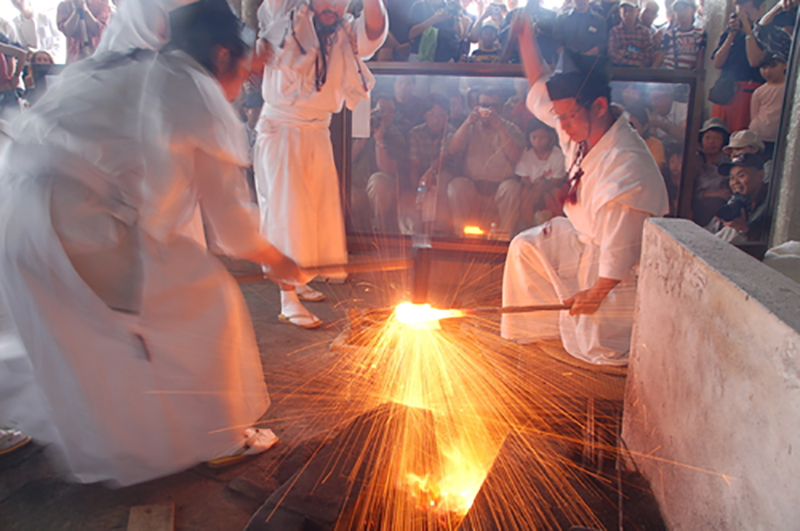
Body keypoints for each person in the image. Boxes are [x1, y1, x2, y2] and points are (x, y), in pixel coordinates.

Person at [0, 0, 307, 486]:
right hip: (73, 220)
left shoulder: (129, 63)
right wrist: (278, 259)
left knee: (53, 324)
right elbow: (229, 225)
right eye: (244, 72)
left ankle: (18, 422)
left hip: (12, 209)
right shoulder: (194, 89)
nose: (242, 86)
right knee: (209, 301)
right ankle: (222, 436)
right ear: (222, 55)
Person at [503, 24, 669, 364]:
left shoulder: (626, 167)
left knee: (597, 342)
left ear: (600, 105)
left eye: (569, 116)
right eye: (560, 116)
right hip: (584, 237)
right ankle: (537, 339)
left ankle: (600, 359)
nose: (561, 125)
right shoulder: (581, 127)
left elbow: (618, 256)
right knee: (526, 248)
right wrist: (525, 38)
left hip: (620, 270)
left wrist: (593, 296)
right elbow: (540, 86)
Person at [254, 0, 388, 329]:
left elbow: (374, 28)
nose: (333, 5)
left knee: (314, 212)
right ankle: (287, 299)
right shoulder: (282, 16)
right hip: (282, 130)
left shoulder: (344, 29)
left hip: (316, 130)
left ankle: (299, 280)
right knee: (288, 215)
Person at [446, 88, 525, 238]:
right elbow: (452, 149)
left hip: (500, 187)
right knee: (456, 186)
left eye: (492, 105)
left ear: (500, 107)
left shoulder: (509, 128)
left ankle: (504, 238)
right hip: (473, 186)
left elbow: (517, 157)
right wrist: (467, 122)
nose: (487, 109)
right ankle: (461, 237)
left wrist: (500, 127)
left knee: (512, 188)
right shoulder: (470, 126)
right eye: (483, 104)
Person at [350, 94, 407, 232]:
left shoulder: (396, 135)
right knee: (347, 194)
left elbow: (388, 168)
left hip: (383, 187)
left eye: (390, 111)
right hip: (358, 187)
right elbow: (348, 159)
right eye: (381, 110)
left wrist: (379, 141)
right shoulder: (359, 129)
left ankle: (379, 233)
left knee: (378, 182)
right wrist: (366, 133)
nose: (385, 114)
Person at [709, 0, 766, 132]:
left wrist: (748, 32)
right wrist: (731, 35)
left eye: (746, 13)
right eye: (739, 14)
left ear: (761, 9)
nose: (742, 18)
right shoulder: (730, 32)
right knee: (717, 133)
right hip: (724, 90)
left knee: (739, 135)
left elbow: (755, 61)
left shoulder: (764, 32)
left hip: (748, 91)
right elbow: (717, 63)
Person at [515, 118, 566, 229]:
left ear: (550, 136)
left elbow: (556, 181)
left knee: (556, 194)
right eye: (534, 137)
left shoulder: (557, 155)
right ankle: (530, 228)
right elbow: (525, 178)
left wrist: (542, 190)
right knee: (525, 195)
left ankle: (555, 228)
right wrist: (534, 190)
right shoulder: (526, 154)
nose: (538, 141)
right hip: (531, 187)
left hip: (550, 188)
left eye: (542, 137)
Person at [707, 153, 769, 243]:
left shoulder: (772, 202)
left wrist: (744, 229)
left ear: (760, 176)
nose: (735, 182)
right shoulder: (737, 201)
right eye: (732, 178)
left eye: (741, 176)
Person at [693, 118, 732, 226]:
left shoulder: (727, 163)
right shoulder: (694, 160)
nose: (711, 142)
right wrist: (714, 194)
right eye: (708, 137)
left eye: (717, 138)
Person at [749, 53, 786, 158]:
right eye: (764, 67)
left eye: (773, 66)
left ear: (785, 65)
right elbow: (754, 115)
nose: (767, 71)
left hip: (781, 136)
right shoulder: (759, 91)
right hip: (760, 137)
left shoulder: (790, 87)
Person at [653, 0, 706, 70]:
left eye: (684, 8)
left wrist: (698, 75)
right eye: (678, 10)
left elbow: (700, 56)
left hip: (688, 75)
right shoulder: (669, 34)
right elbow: (660, 55)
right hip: (669, 73)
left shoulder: (699, 35)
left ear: (693, 10)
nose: (681, 12)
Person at [608, 0, 656, 67]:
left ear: (638, 11)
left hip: (640, 74)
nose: (627, 14)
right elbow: (613, 56)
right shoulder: (614, 31)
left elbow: (648, 57)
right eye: (624, 11)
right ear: (619, 12)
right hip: (618, 72)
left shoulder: (645, 32)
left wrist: (624, 53)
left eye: (630, 10)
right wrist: (636, 60)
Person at [626, 102, 665, 169]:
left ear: (644, 127)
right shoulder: (616, 143)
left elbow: (655, 171)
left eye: (633, 126)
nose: (627, 130)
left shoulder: (655, 144)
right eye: (625, 126)